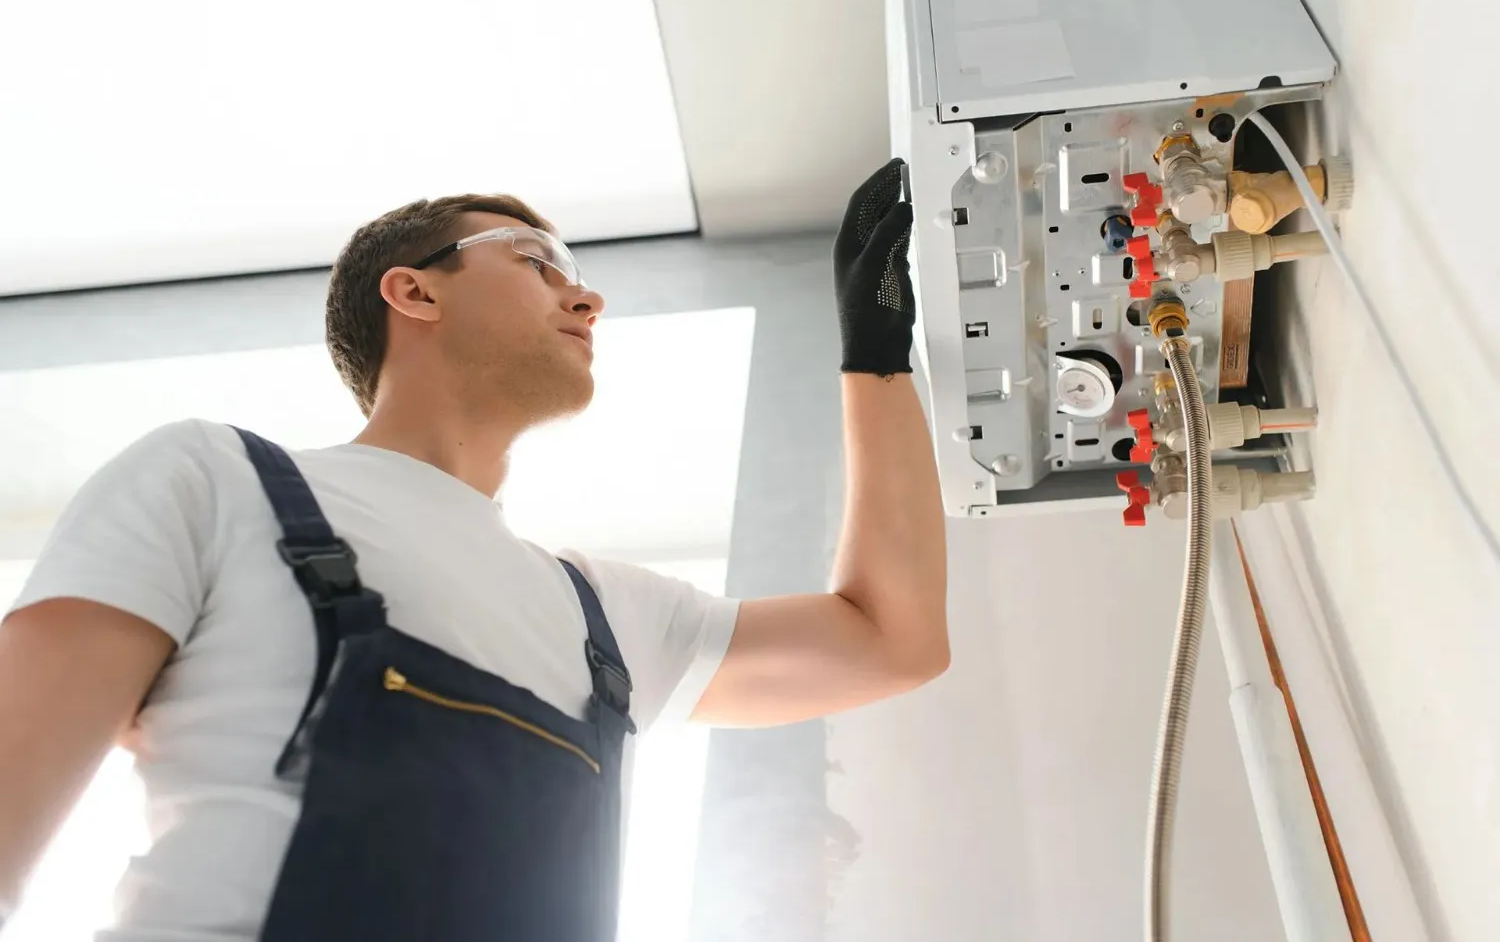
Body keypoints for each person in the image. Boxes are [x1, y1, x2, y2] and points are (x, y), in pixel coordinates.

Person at [0, 159, 947, 941]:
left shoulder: (602, 616)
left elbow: (891, 638)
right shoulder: (212, 480)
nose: (587, 296)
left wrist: (876, 356)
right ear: (412, 291)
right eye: (538, 261)